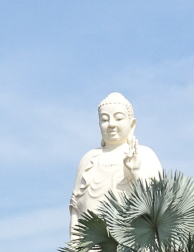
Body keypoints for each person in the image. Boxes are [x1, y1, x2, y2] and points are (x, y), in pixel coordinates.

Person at [68, 93, 163, 234]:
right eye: (104, 119)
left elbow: (158, 204)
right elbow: (76, 210)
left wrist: (136, 173)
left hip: (133, 244)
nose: (111, 124)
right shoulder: (89, 160)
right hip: (93, 248)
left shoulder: (144, 155)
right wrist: (75, 247)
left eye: (118, 118)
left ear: (132, 124)